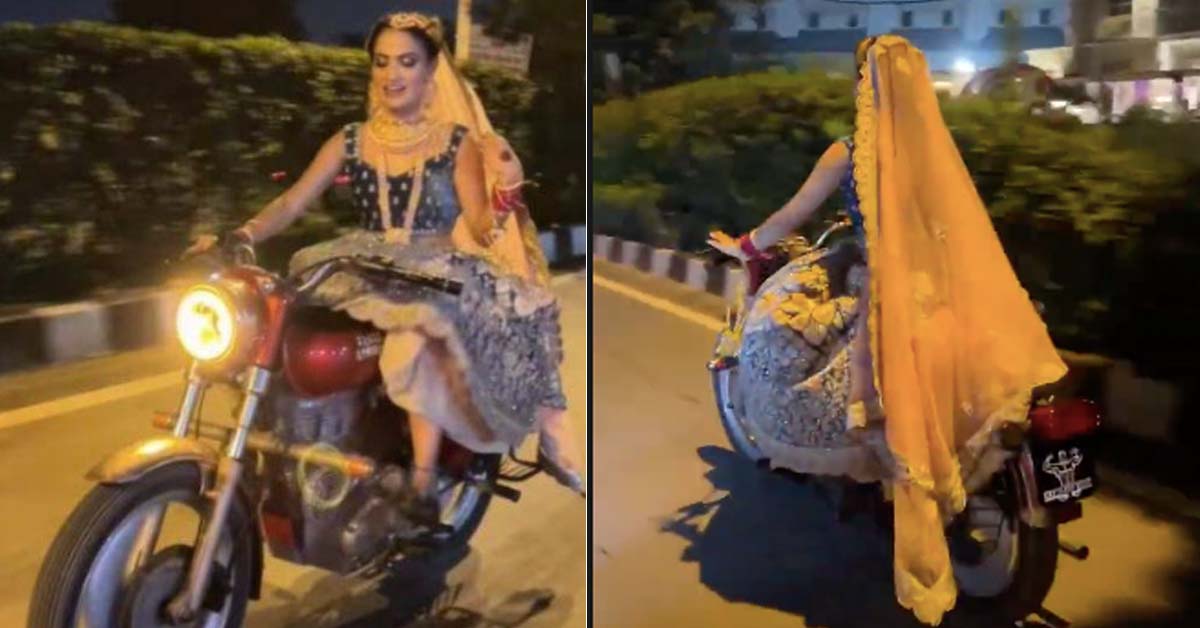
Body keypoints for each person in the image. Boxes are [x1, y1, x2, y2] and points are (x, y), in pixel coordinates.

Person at [707, 35, 1067, 625]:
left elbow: (790, 220)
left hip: (880, 292)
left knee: (780, 342)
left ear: (863, 87)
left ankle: (874, 475)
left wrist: (745, 245)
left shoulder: (848, 152)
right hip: (942, 288)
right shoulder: (934, 151)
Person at [192, 12, 584, 522]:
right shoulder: (350, 140)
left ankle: (422, 483)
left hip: (431, 266)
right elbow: (292, 204)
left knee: (409, 341)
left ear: (428, 74)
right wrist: (242, 234)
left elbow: (483, 227)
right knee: (276, 321)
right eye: (382, 62)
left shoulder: (455, 141)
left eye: (407, 62)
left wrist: (507, 185)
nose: (393, 74)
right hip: (363, 261)